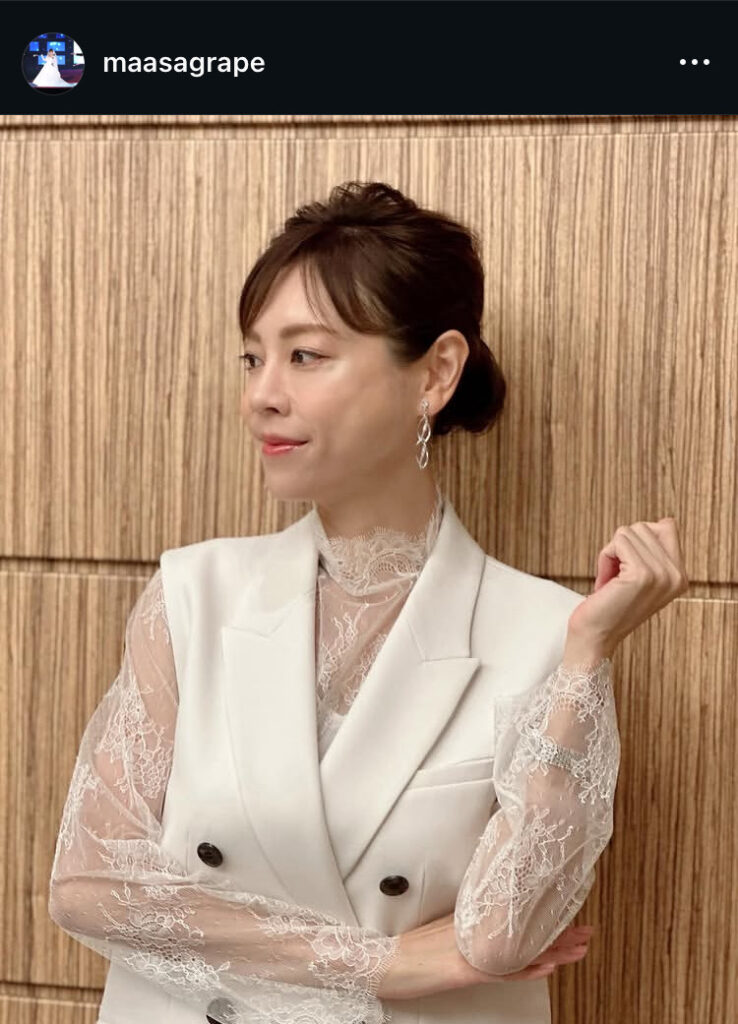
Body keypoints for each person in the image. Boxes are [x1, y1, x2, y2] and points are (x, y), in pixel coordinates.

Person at [47, 181, 688, 1024]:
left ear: (436, 373)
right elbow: (89, 885)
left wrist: (586, 656)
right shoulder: (194, 594)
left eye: (305, 356)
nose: (262, 395)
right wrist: (382, 965)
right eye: (253, 357)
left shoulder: (545, 633)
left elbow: (502, 938)